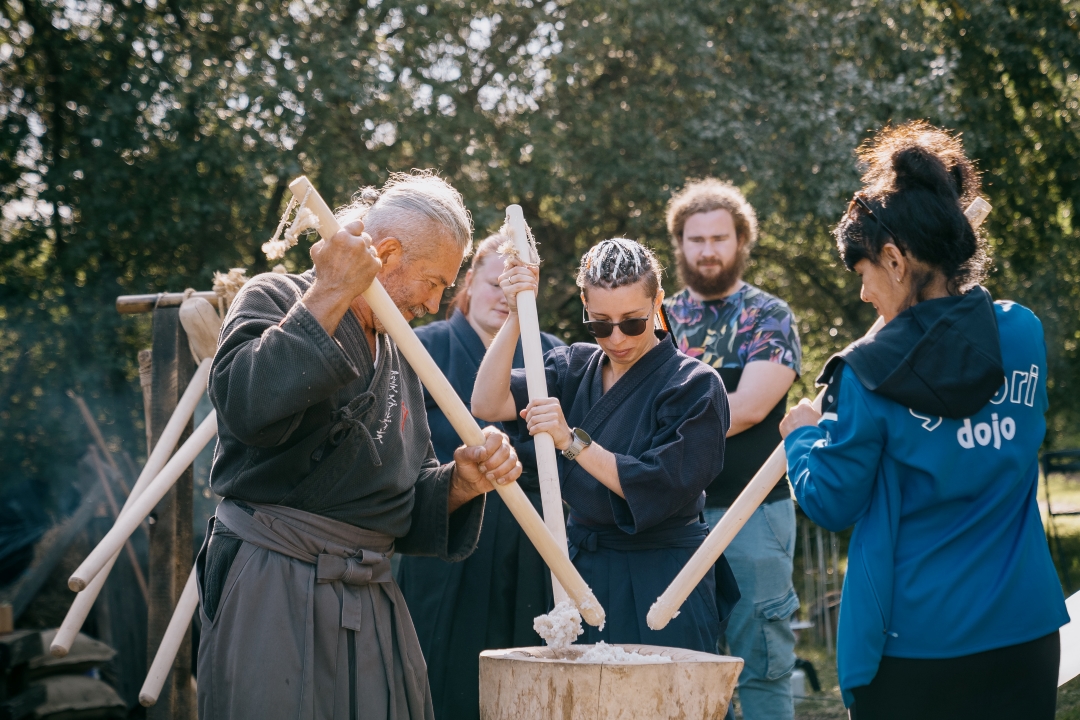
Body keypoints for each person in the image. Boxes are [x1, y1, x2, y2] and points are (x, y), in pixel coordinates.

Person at [197, 172, 524, 720]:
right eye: (434, 280)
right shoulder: (274, 295)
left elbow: (403, 509)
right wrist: (330, 292)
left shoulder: (403, 354)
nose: (437, 300)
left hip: (369, 593)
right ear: (388, 253)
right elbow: (245, 407)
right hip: (274, 580)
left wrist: (462, 483)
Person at [780, 122, 1068, 720]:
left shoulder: (866, 374)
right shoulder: (1022, 333)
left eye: (863, 274)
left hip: (917, 643)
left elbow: (832, 501)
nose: (863, 297)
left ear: (893, 259)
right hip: (1025, 632)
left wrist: (802, 437)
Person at [472, 237, 740, 655]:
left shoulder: (695, 384)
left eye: (632, 322)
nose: (617, 338)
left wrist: (572, 441)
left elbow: (663, 482)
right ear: (584, 306)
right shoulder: (572, 366)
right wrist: (517, 316)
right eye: (600, 323)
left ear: (657, 303)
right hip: (583, 571)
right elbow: (487, 402)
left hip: (664, 574)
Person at [397, 232, 564, 720]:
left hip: (532, 541)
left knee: (529, 676)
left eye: (516, 291)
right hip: (450, 532)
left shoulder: (549, 354)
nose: (504, 298)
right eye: (495, 284)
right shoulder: (421, 347)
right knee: (443, 672)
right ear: (469, 282)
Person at [664, 178, 802, 720]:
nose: (708, 250)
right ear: (680, 246)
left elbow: (747, 408)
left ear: (742, 240)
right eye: (696, 239)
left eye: (720, 237)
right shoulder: (658, 321)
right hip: (674, 516)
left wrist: (667, 431)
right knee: (685, 664)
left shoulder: (769, 315)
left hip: (755, 513)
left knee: (764, 658)